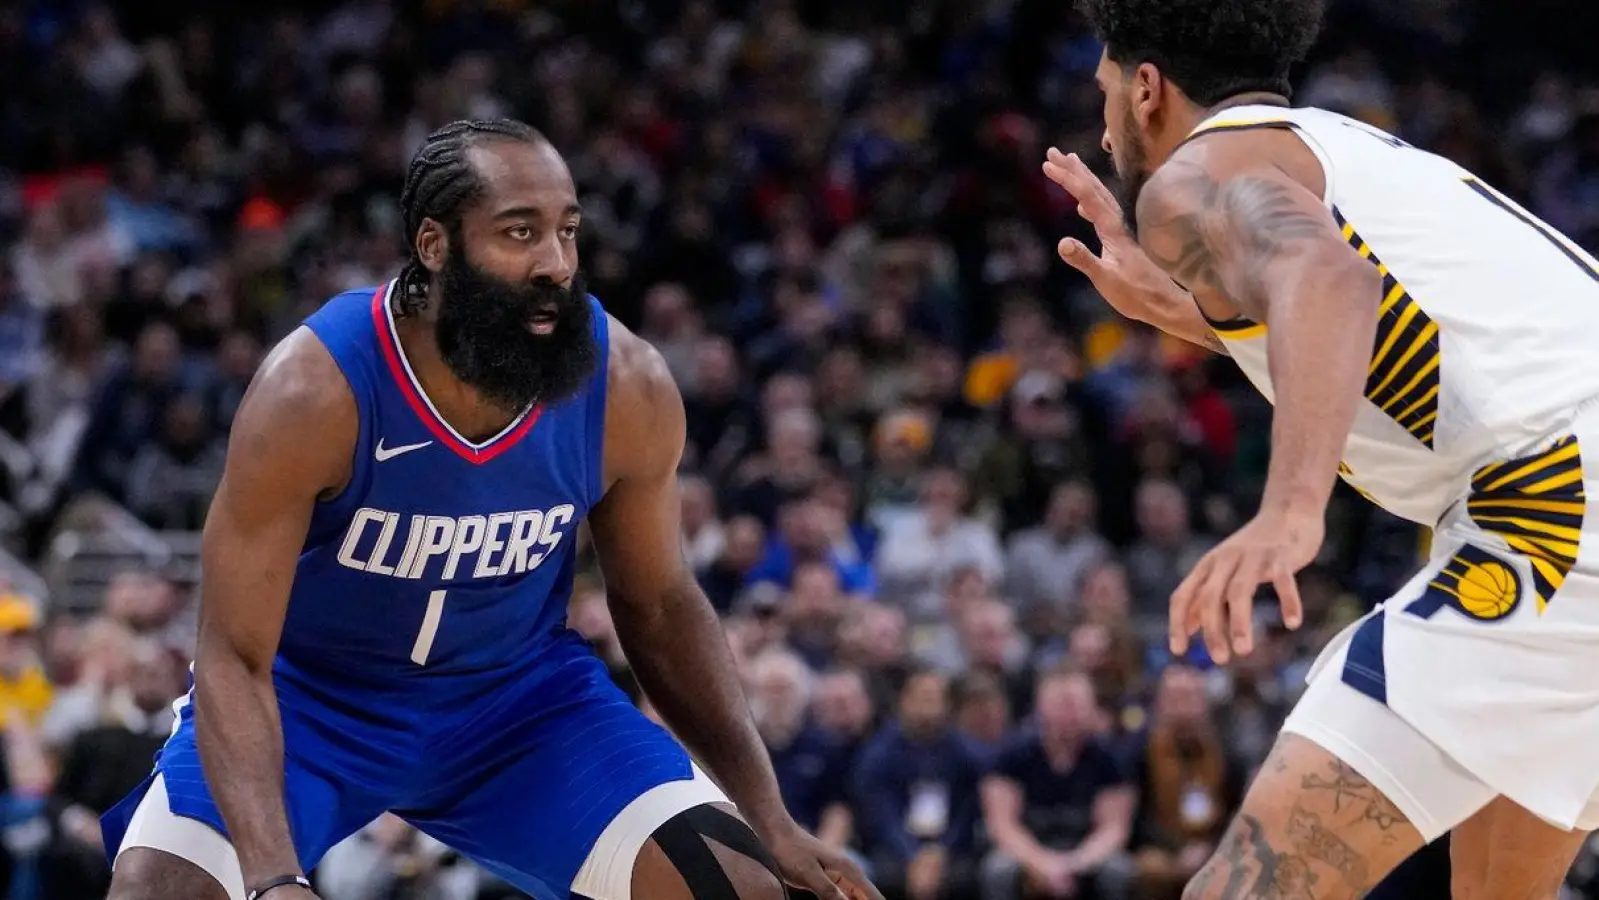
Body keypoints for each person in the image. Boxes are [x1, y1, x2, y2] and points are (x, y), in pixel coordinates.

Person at [99, 119, 879, 900]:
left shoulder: (625, 385)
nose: (556, 264)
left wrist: (767, 815)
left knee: (736, 886)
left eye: (567, 232)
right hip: (313, 710)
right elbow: (233, 653)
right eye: (519, 233)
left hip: (518, 706)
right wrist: (274, 881)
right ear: (435, 246)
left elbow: (662, 603)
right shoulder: (315, 390)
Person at [1047, 0, 1599, 896]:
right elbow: (1381, 313)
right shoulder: (1337, 148)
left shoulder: (1192, 178)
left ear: (1145, 90)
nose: (1106, 128)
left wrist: (1289, 510)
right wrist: (1184, 315)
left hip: (1558, 507)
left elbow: (1328, 279)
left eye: (1104, 92)